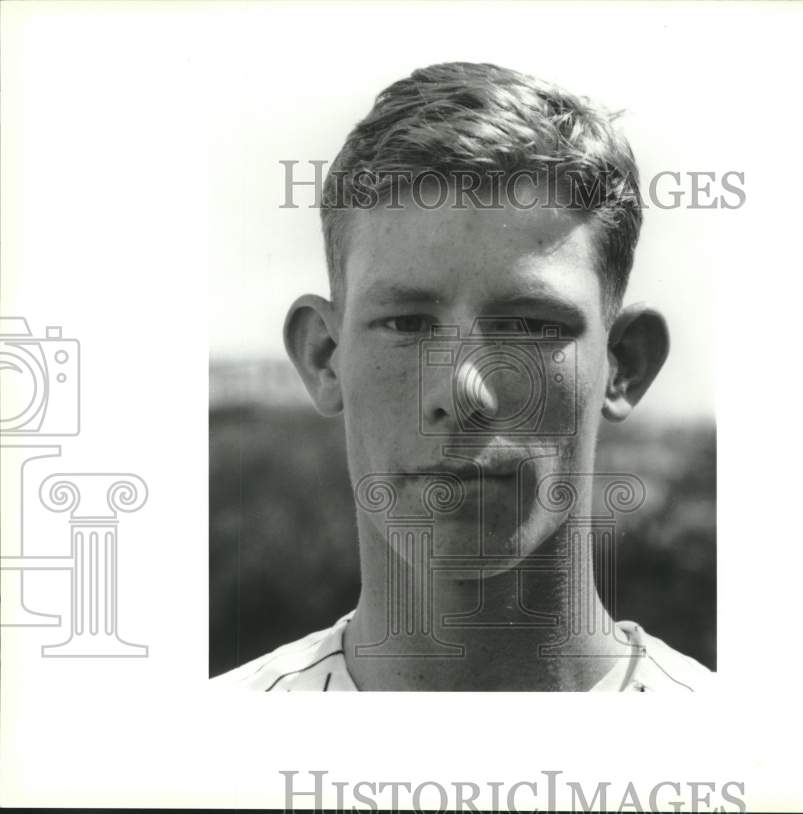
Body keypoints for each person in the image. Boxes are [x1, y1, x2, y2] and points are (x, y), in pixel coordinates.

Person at [214, 62, 711, 692]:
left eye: (529, 326)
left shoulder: (758, 774)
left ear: (624, 365)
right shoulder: (187, 770)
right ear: (323, 356)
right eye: (407, 323)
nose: (461, 390)